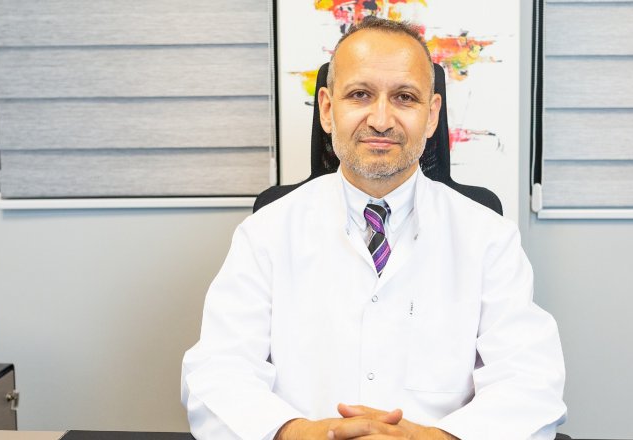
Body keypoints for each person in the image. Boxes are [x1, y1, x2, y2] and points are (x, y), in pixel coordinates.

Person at [181, 17, 566, 440]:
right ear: (328, 109)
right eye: (360, 94)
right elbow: (218, 372)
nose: (381, 120)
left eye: (404, 97)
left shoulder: (489, 237)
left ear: (432, 115)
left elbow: (531, 381)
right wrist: (299, 433)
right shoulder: (266, 233)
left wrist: (432, 439)